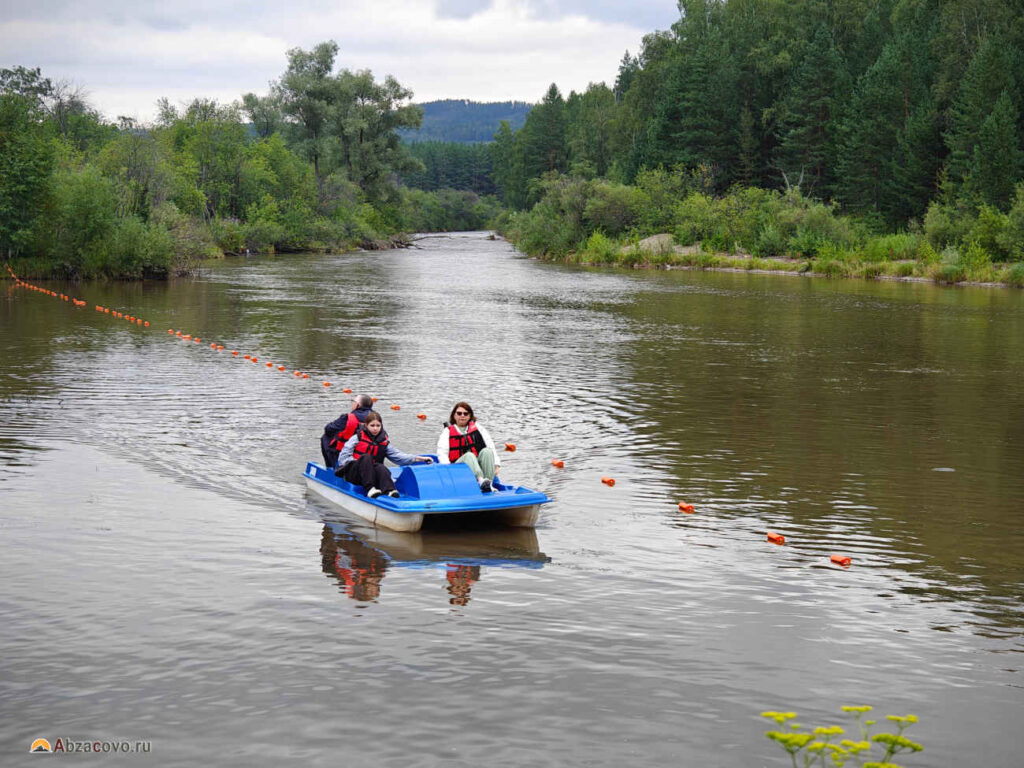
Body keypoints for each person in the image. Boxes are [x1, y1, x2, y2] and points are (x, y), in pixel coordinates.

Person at [334, 411, 432, 498]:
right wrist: (361, 464)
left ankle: (390, 490)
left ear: (381, 426)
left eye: (378, 425)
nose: (375, 428)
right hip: (354, 474)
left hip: (371, 475)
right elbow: (343, 457)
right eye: (372, 426)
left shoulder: (384, 442)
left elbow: (398, 456)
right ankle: (370, 489)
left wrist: (419, 459)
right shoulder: (357, 438)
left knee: (380, 467)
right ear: (366, 426)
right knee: (366, 457)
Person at [436, 401, 500, 492]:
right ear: (454, 415)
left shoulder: (478, 428)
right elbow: (442, 452)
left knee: (487, 451)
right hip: (458, 468)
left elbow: (490, 444)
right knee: (469, 455)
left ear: (470, 416)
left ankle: (488, 483)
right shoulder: (447, 431)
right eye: (459, 413)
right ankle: (480, 481)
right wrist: (448, 471)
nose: (462, 415)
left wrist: (497, 464)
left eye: (465, 413)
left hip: (477, 465)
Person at [321, 394, 373, 468]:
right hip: (369, 451)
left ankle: (332, 467)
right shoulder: (376, 418)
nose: (352, 403)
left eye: (353, 401)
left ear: (357, 405)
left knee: (326, 437)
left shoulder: (347, 418)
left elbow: (328, 429)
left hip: (349, 451)